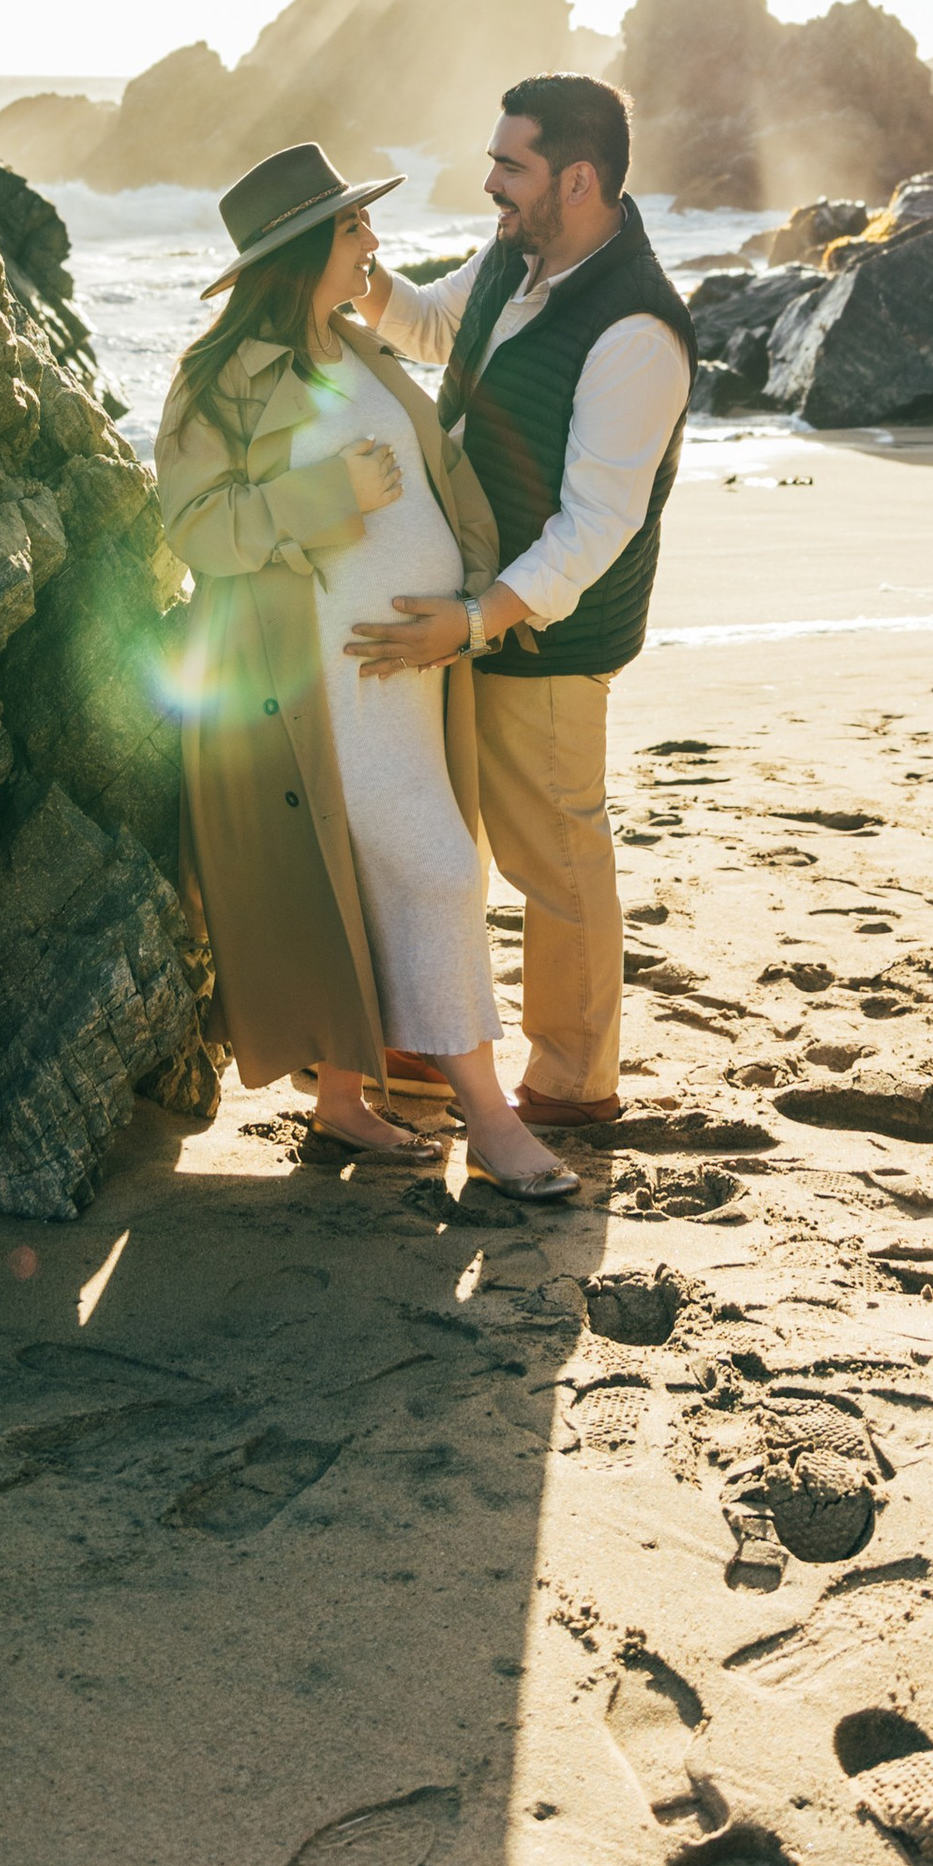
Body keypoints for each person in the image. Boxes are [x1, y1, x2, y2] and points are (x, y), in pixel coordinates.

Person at [153, 140, 578, 1201]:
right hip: (316, 679)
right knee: (434, 866)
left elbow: (439, 482)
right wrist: (326, 494)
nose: (373, 243)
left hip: (418, 672)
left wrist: (476, 601)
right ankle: (488, 1119)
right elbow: (198, 531)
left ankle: (342, 1103)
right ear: (301, 252)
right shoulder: (216, 381)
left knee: (377, 873)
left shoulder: (363, 348)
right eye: (352, 229)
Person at [354, 73, 695, 1128]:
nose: (490, 183)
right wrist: (356, 270)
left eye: (511, 166)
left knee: (552, 855)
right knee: (442, 840)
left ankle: (573, 1082)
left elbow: (596, 527)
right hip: (470, 612)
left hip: (545, 634)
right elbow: (427, 329)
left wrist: (477, 619)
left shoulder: (637, 331)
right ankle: (421, 1049)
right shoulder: (517, 256)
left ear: (578, 179)